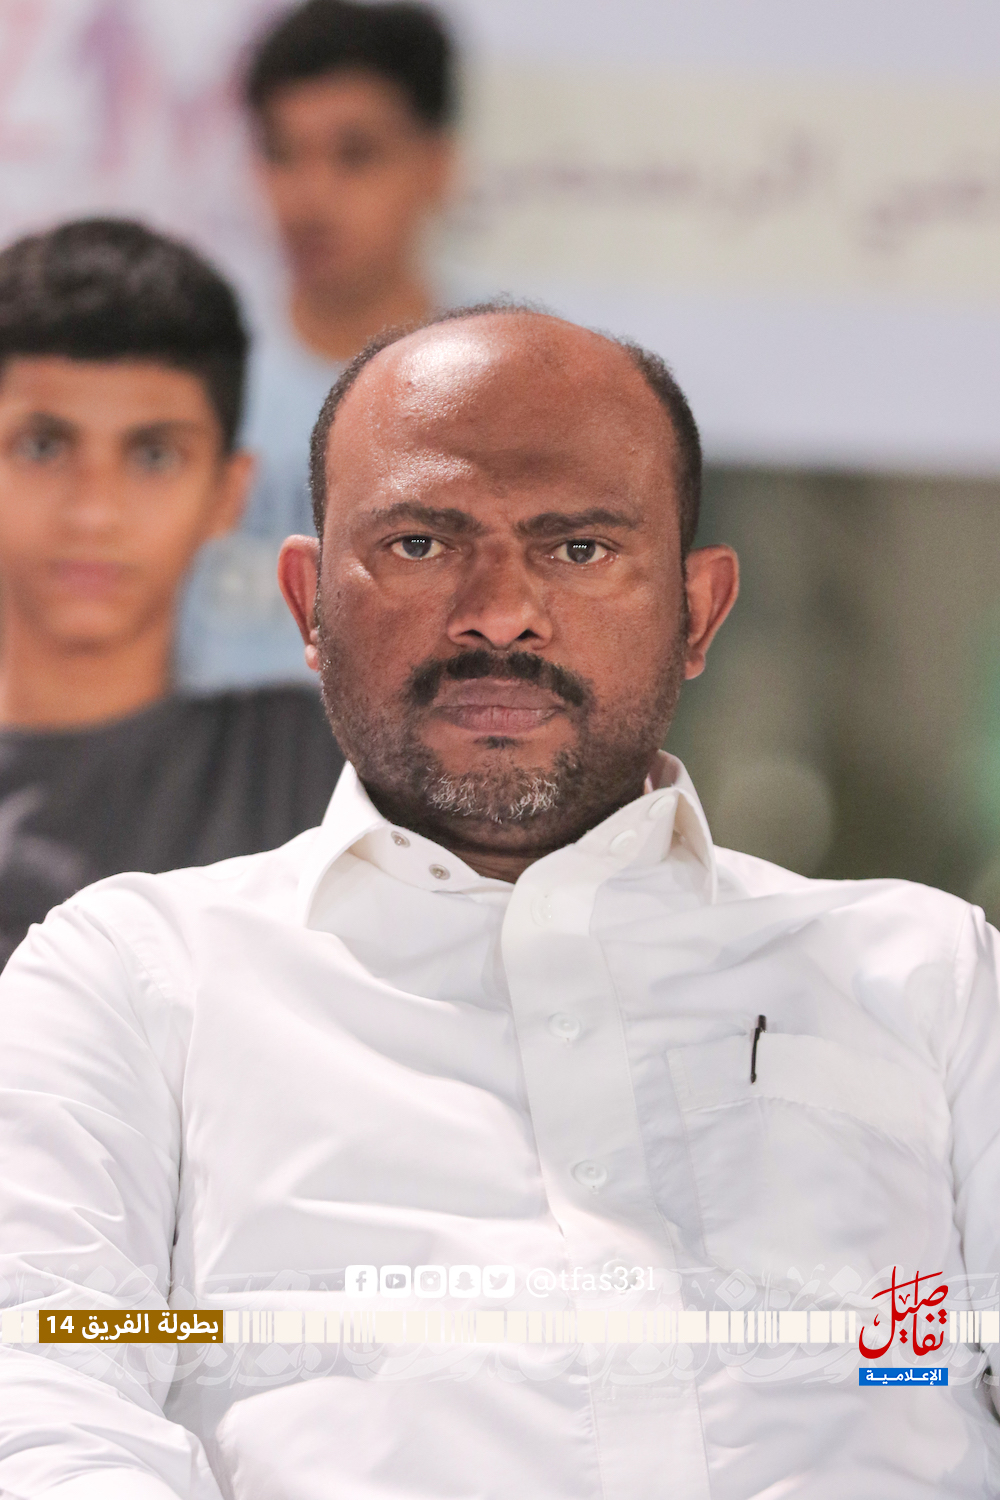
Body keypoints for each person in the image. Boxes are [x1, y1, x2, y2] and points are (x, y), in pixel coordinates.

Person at [0, 304, 998, 1499]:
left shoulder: (927, 975)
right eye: (421, 542)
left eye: (579, 549)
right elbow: (42, 1392)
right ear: (308, 604)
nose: (499, 611)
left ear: (698, 613)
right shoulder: (133, 979)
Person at [0, 217, 343, 966]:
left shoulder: (324, 771)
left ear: (228, 493)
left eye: (154, 455)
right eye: (43, 445)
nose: (93, 511)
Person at [175, 0, 456, 691]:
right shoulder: (193, 377)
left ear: (437, 166)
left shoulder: (510, 392)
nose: (310, 195)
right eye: (282, 154)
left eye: (354, 155)